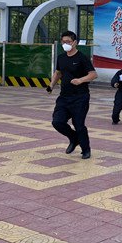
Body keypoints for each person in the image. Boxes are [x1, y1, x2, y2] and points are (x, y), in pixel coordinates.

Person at [47, 31, 97, 159]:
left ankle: (86, 149)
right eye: (63, 42)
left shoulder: (82, 58)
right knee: (57, 122)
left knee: (78, 125)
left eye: (68, 42)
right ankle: (74, 138)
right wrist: (51, 85)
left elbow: (93, 74)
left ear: (74, 42)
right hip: (64, 97)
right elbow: (58, 73)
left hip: (80, 97)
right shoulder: (61, 58)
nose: (65, 44)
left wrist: (80, 80)